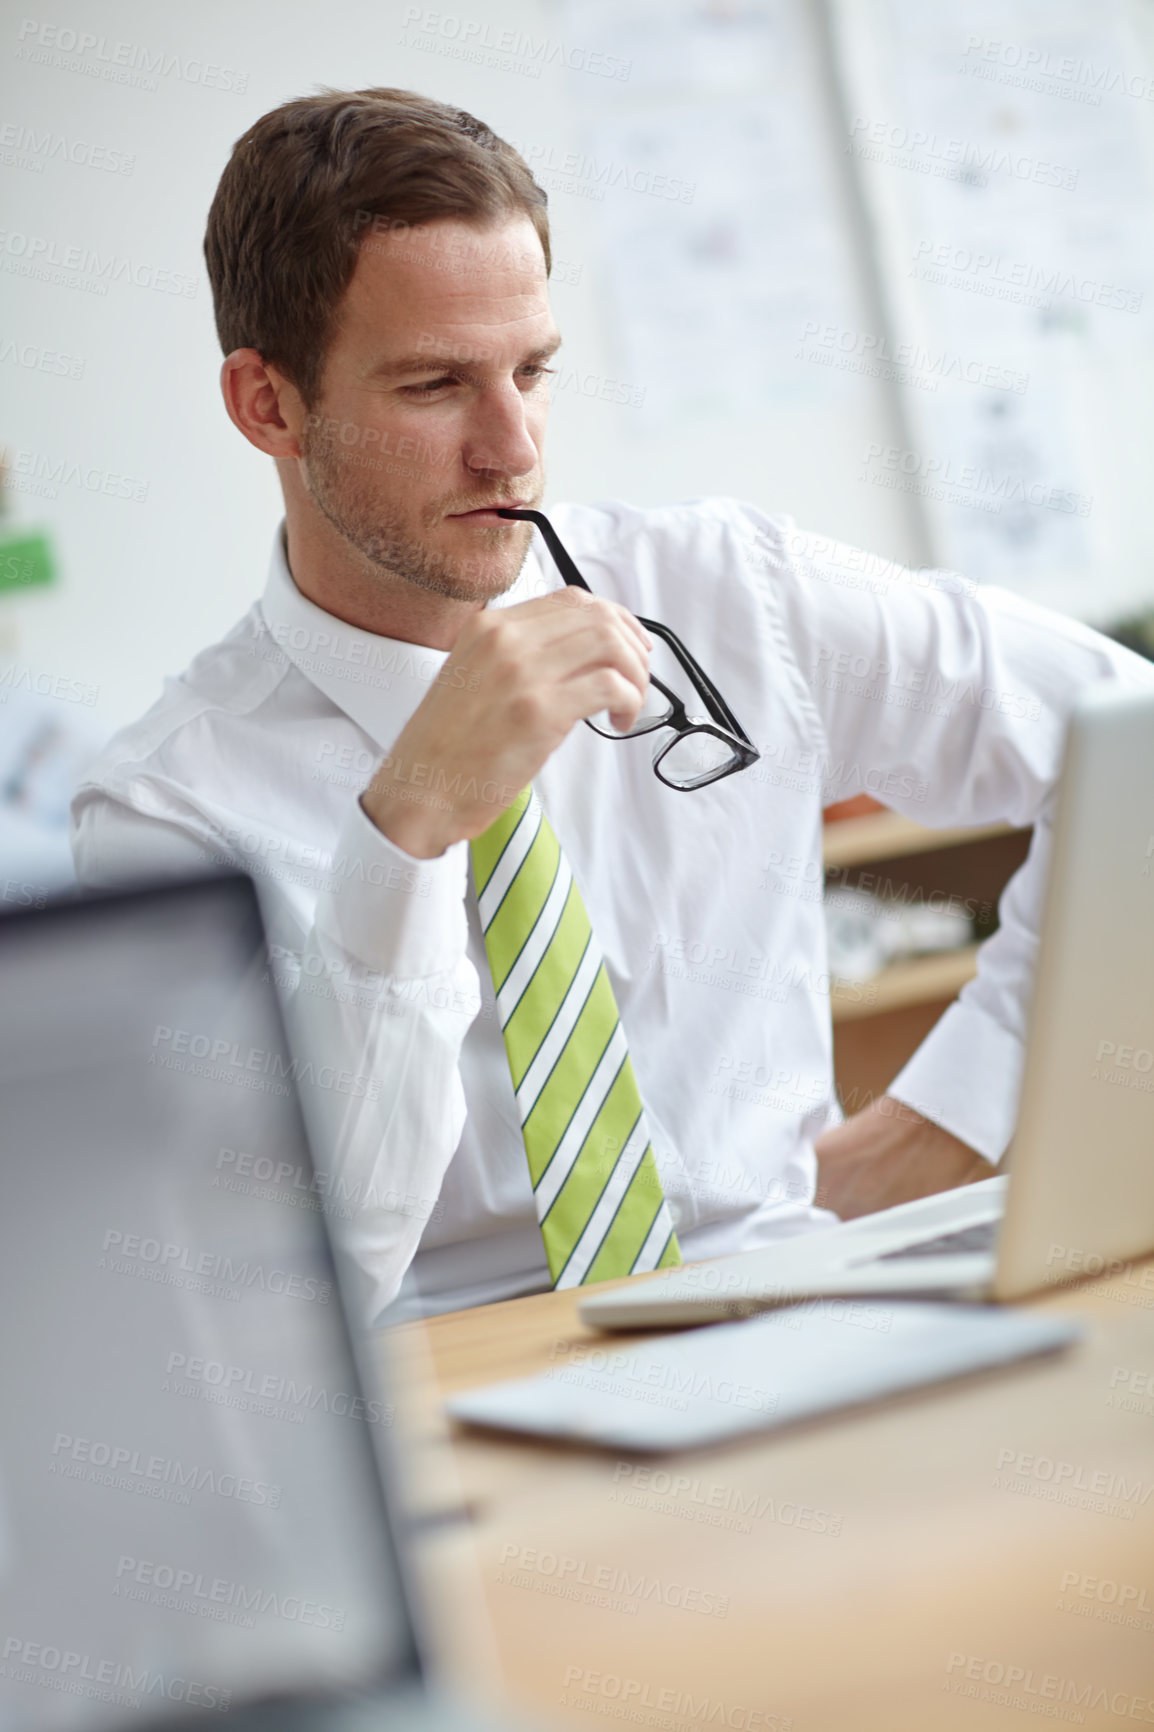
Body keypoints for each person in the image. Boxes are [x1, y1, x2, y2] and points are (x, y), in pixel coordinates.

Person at [72, 88, 1153, 1323]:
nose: (512, 444)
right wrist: (406, 829)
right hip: (456, 1387)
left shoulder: (733, 591)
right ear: (267, 404)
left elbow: (1133, 748)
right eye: (433, 386)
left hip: (797, 1302)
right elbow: (279, 1299)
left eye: (532, 370)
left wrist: (951, 1115)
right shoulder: (165, 811)